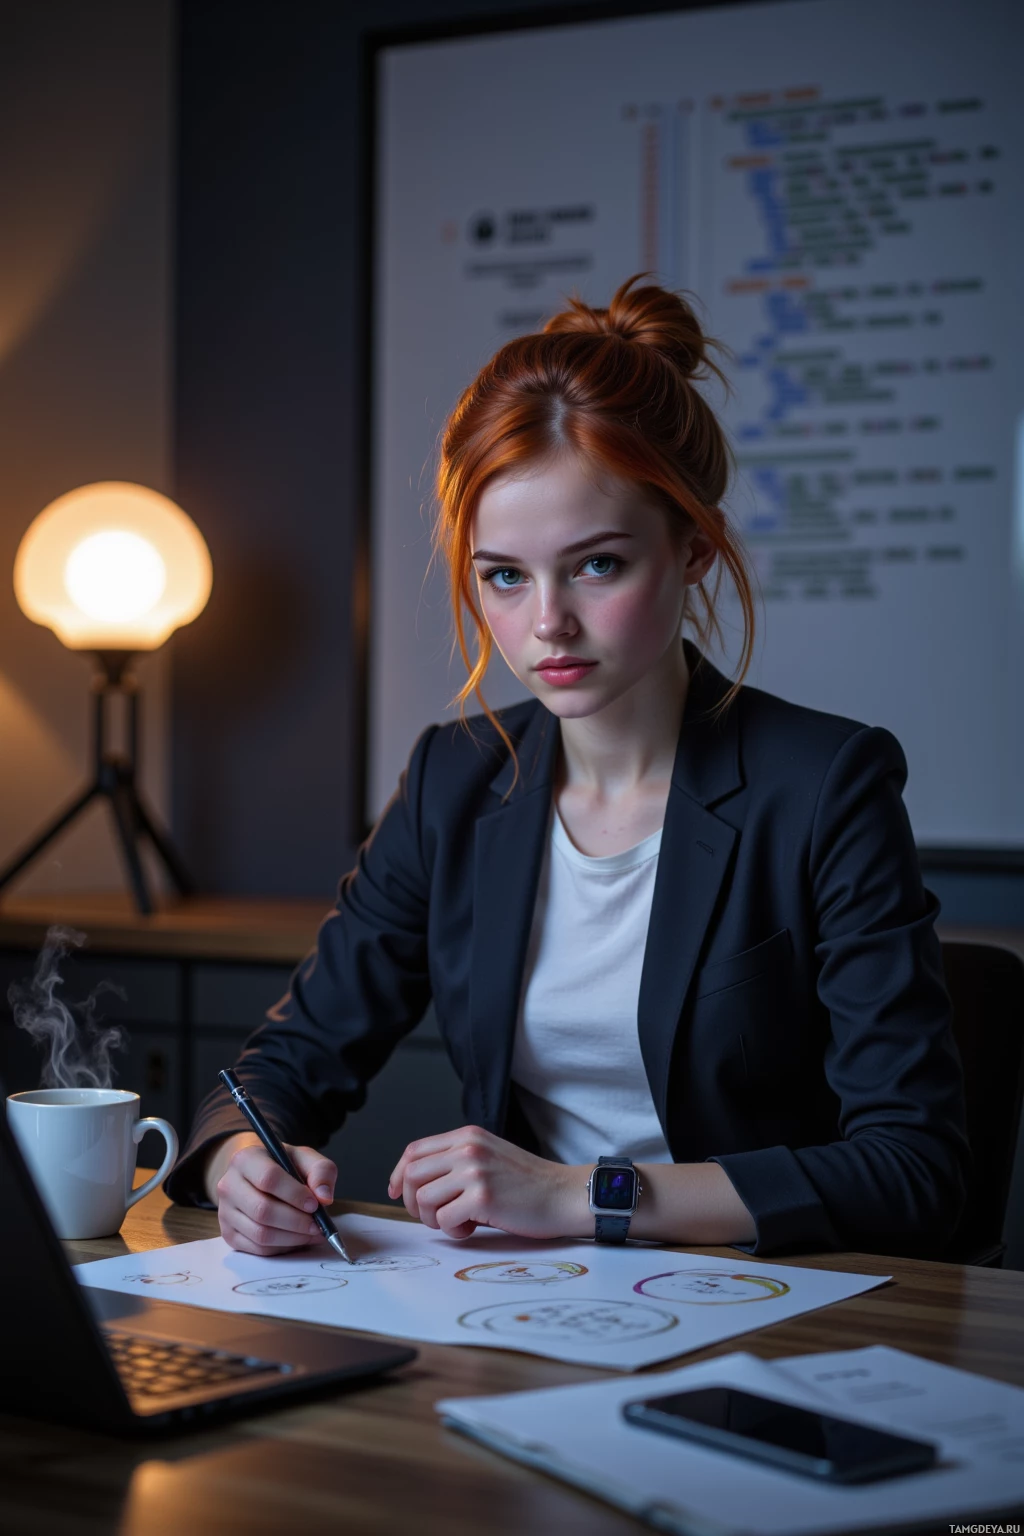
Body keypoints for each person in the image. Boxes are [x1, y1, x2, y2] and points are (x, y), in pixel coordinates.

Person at [165, 275, 968, 1259]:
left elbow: (913, 1169)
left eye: (596, 564)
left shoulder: (825, 784)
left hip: (774, 1312)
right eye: (504, 574)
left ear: (693, 549)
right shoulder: (450, 782)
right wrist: (237, 1165)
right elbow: (282, 1066)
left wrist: (588, 1194)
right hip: (529, 1312)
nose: (546, 621)